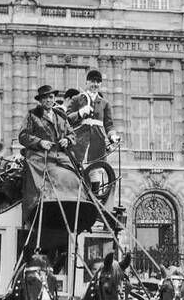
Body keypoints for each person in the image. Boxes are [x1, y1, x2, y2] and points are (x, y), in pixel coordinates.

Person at [18, 84, 77, 222]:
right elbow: (23, 136)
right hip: (39, 157)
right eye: (45, 98)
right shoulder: (32, 115)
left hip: (60, 156)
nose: (49, 100)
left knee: (74, 175)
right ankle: (38, 210)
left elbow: (73, 134)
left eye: (51, 97)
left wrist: (67, 140)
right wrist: (39, 142)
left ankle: (71, 208)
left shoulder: (61, 116)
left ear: (55, 98)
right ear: (40, 101)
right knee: (46, 181)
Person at [66, 69, 120, 194]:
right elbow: (66, 120)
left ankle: (94, 201)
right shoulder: (77, 99)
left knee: (95, 174)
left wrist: (113, 136)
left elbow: (109, 124)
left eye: (97, 82)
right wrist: (80, 113)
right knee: (77, 174)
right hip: (79, 143)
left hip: (97, 143)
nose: (95, 84)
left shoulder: (105, 103)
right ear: (87, 82)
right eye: (92, 81)